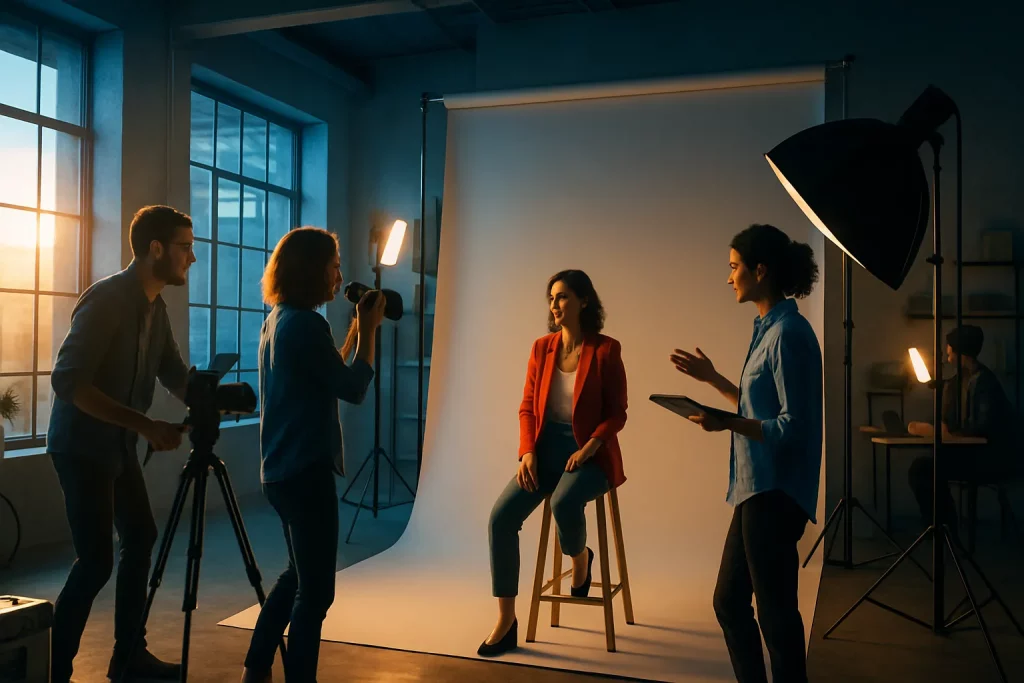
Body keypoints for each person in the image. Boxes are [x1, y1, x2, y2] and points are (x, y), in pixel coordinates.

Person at [47, 205, 197, 682]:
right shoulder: (107, 300)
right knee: (96, 562)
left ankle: (129, 656)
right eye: (185, 247)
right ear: (156, 249)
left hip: (117, 444)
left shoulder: (156, 308)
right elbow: (69, 382)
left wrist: (215, 397)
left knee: (140, 536)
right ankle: (53, 671)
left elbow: (174, 375)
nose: (192, 258)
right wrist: (146, 425)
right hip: (81, 446)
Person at [671, 224, 822, 683]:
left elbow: (792, 427)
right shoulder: (768, 330)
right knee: (730, 601)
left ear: (760, 271)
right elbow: (759, 406)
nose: (729, 276)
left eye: (734, 267)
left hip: (776, 495)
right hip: (755, 490)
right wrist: (714, 380)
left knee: (776, 616)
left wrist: (726, 423)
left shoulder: (788, 334)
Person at [240, 227, 386, 683]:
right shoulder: (306, 324)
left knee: (297, 575)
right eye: (334, 266)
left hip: (279, 471)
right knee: (317, 593)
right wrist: (369, 331)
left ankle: (256, 667)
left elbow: (326, 370)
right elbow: (353, 388)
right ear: (312, 269)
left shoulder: (278, 319)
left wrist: (358, 328)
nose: (339, 276)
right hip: (307, 472)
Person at [478, 269, 628, 657]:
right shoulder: (541, 348)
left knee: (563, 501)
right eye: (551, 298)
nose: (554, 304)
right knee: (501, 519)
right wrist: (527, 452)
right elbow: (527, 407)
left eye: (562, 297)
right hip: (544, 453)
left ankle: (580, 560)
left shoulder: (606, 350)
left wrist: (590, 447)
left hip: (591, 456)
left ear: (583, 301)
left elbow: (618, 413)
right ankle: (506, 621)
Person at [906, 325, 1018, 539]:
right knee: (922, 468)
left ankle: (944, 528)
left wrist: (949, 433)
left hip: (987, 458)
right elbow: (948, 420)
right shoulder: (957, 382)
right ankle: (940, 526)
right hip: (967, 454)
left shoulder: (985, 383)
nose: (947, 359)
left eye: (950, 354)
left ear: (961, 353)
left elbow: (983, 426)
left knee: (926, 470)